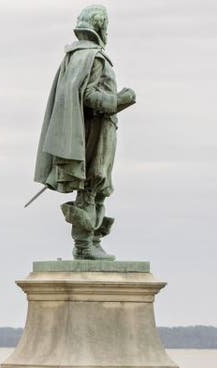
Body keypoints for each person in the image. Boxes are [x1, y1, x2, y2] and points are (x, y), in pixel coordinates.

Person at [34, 4, 136, 261]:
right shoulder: (93, 57)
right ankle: (84, 244)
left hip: (95, 129)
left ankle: (93, 240)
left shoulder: (76, 56)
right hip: (94, 131)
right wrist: (119, 99)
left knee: (99, 185)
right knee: (92, 183)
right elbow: (88, 96)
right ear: (100, 26)